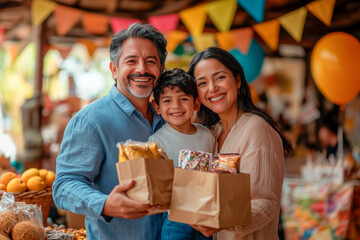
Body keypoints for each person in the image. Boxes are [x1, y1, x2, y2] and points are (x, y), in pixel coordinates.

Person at [52, 23, 168, 240]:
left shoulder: (170, 118)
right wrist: (104, 204)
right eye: (131, 61)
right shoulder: (91, 120)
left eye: (151, 61)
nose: (142, 69)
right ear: (114, 69)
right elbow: (64, 185)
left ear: (161, 70)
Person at [187, 47, 293, 240]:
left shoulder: (256, 128)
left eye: (219, 78)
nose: (212, 88)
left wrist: (223, 219)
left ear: (237, 81)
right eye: (202, 83)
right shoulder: (213, 132)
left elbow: (265, 203)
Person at [148, 68, 215, 240]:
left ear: (196, 104)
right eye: (167, 100)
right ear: (157, 106)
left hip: (206, 213)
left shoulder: (207, 135)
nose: (176, 106)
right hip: (175, 217)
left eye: (183, 99)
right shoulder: (156, 141)